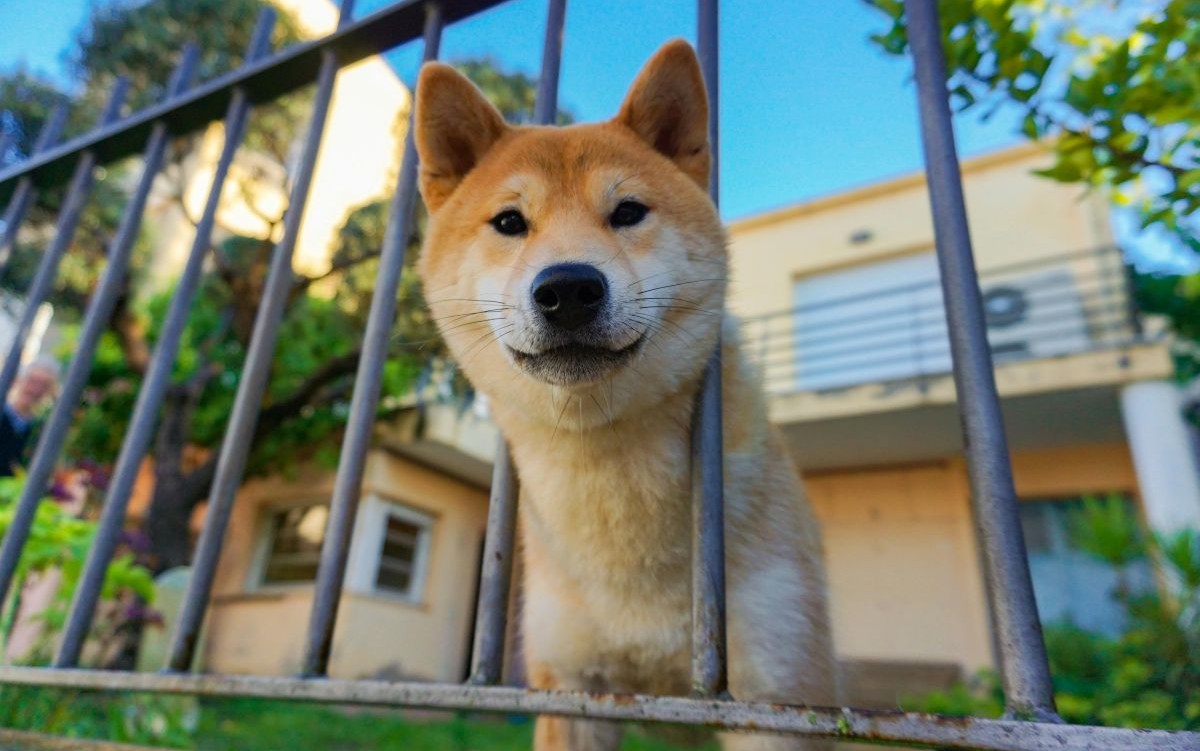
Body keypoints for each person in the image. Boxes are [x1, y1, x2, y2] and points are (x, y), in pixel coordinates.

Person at [0, 356, 61, 477]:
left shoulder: (39, 429)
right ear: (19, 380)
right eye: (32, 381)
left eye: (44, 385)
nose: (35, 389)